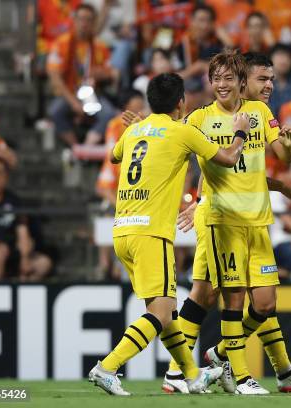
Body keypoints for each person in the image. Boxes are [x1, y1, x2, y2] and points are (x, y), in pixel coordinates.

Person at [88, 72, 246, 396]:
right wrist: (241, 132)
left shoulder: (135, 130)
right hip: (151, 233)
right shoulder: (183, 131)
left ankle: (191, 375)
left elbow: (114, 156)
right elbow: (229, 158)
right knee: (160, 312)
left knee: (166, 312)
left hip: (122, 233)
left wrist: (143, 125)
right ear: (181, 102)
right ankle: (107, 367)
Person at [172, 51, 291, 395]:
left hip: (257, 222)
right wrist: (192, 201)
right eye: (217, 79)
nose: (222, 85)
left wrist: (287, 144)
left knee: (265, 303)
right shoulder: (200, 118)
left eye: (229, 79)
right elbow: (183, 153)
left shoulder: (259, 111)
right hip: (221, 221)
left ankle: (216, 355)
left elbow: (282, 155)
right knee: (228, 296)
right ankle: (239, 377)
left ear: (241, 82)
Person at [46, 3, 117, 146]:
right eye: (81, 19)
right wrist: (73, 103)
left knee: (109, 115)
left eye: (88, 20)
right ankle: (75, 148)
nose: (84, 23)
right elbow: (55, 77)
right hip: (69, 93)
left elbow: (112, 73)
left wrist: (101, 74)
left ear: (93, 22)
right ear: (74, 20)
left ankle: (88, 145)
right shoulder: (61, 44)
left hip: (92, 94)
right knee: (54, 111)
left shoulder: (100, 46)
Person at [95, 89, 145, 279]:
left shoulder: (149, 124)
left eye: (141, 103)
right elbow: (112, 159)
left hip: (140, 190)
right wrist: (120, 204)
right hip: (119, 191)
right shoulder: (115, 126)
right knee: (108, 212)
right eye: (136, 103)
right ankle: (104, 268)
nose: (140, 106)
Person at [269, 43, 291, 118]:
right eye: (280, 55)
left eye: (288, 57)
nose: (284, 60)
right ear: (271, 58)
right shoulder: (263, 84)